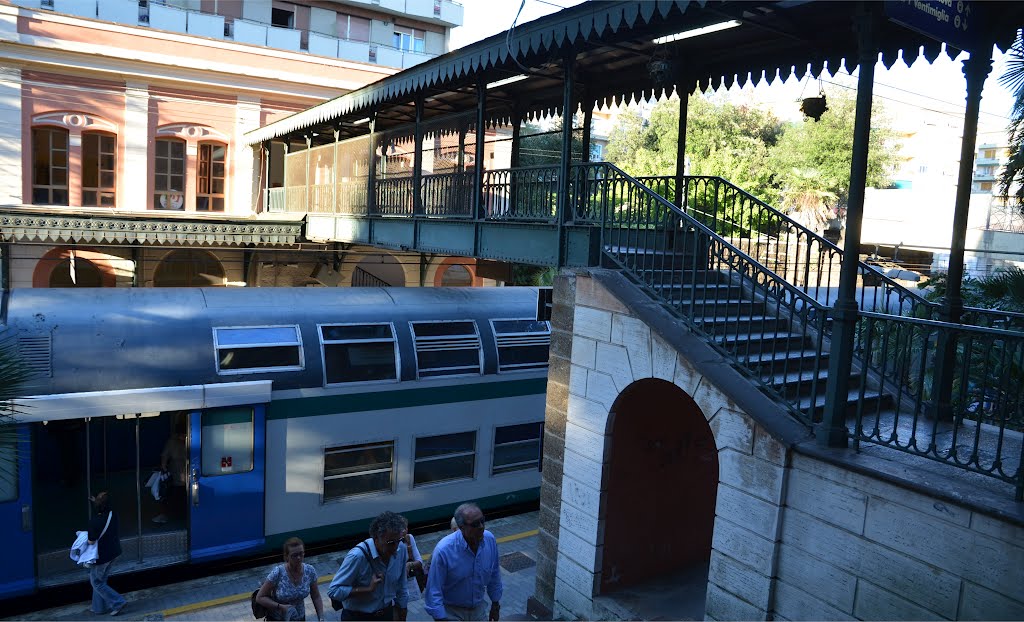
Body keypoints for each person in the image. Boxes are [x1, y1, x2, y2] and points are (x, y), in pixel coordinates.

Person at [423, 503, 502, 622]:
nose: (481, 527)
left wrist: (495, 604)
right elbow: (434, 590)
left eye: (482, 521)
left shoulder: (490, 540)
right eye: (475, 524)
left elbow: (495, 574)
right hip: (451, 612)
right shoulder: (444, 550)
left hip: (478, 609)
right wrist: (441, 618)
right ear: (461, 527)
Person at [328, 511, 409, 621]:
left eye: (399, 541)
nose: (395, 547)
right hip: (358, 617)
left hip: (386, 615)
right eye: (390, 543)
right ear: (376, 539)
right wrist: (367, 589)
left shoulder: (401, 549)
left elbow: (402, 584)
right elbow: (333, 591)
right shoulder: (357, 557)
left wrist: (402, 610)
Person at [255, 537, 325, 622]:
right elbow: (260, 597)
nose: (299, 558)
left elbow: (316, 596)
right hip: (278, 619)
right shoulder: (278, 572)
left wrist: (321, 618)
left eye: (301, 554)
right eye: (294, 555)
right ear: (286, 556)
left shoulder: (310, 571)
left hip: (299, 618)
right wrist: (280, 607)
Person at [87, 491, 126, 616]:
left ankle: (118, 602)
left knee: (97, 583)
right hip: (114, 552)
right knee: (101, 581)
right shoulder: (112, 514)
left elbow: (91, 541)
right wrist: (96, 501)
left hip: (102, 557)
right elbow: (105, 506)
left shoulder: (94, 521)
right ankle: (98, 608)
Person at [153, 421, 187, 524]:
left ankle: (179, 514)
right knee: (176, 494)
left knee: (180, 495)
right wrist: (164, 470)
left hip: (184, 474)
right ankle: (175, 514)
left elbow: (164, 456)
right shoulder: (172, 442)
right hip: (176, 473)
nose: (183, 437)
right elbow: (164, 456)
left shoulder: (185, 441)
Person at [400, 517, 425, 603]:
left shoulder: (409, 538)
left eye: (405, 527)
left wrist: (409, 564)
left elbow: (419, 561)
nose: (404, 531)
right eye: (401, 528)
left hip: (410, 579)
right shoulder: (391, 543)